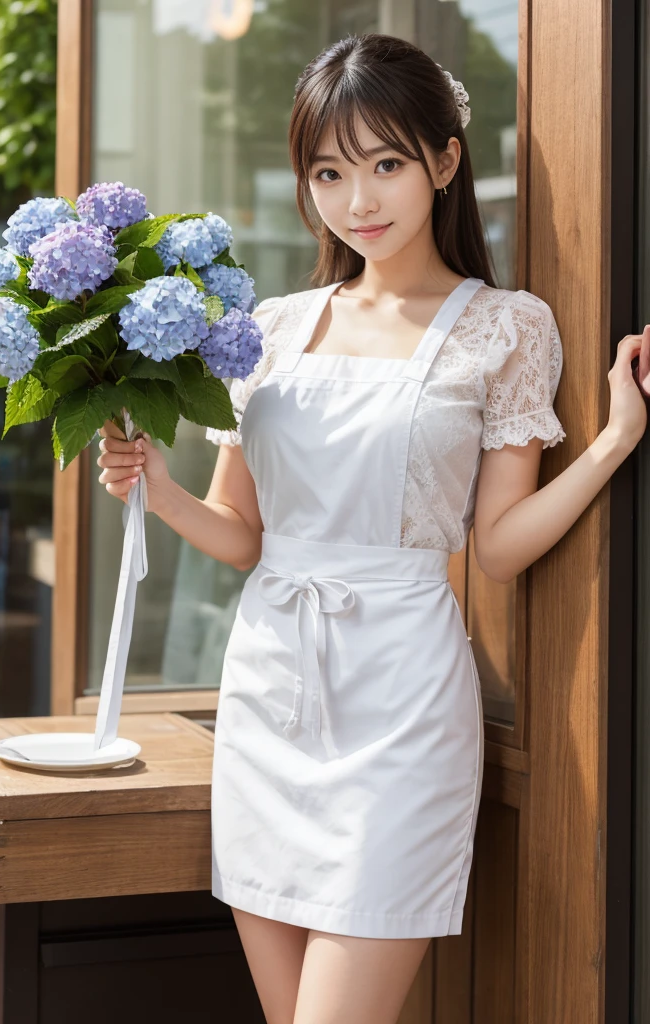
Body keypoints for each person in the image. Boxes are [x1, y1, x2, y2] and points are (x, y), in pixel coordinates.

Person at [97, 32, 648, 1024]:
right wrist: (155, 490)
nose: (359, 201)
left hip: (400, 706)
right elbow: (242, 531)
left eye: (386, 164)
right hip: (268, 692)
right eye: (329, 171)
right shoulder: (264, 326)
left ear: (442, 162)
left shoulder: (502, 326)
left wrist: (610, 443)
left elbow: (496, 545)